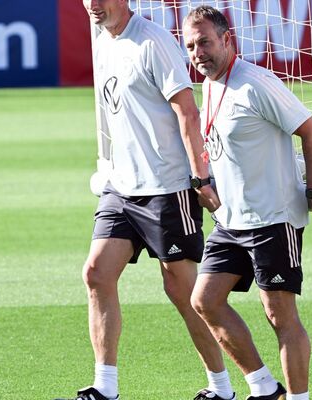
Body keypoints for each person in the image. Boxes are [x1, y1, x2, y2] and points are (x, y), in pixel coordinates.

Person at [60, 1, 233, 400]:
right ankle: (105, 387)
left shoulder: (154, 42)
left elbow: (187, 114)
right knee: (96, 274)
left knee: (183, 291)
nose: (92, 6)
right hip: (122, 188)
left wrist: (201, 177)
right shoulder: (102, 42)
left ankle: (222, 388)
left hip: (167, 188)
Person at [182, 6, 312, 400]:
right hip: (231, 221)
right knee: (204, 300)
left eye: (204, 41)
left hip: (273, 219)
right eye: (190, 46)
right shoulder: (210, 85)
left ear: (227, 40)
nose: (197, 52)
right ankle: (264, 388)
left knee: (279, 316)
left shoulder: (256, 83)